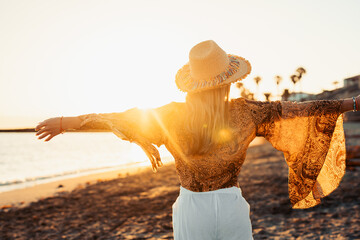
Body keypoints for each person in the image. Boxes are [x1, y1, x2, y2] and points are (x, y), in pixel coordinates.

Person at [35, 40, 358, 239]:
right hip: (231, 205)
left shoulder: (172, 116)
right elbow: (299, 110)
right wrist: (352, 104)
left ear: (192, 84)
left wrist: (65, 123)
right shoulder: (246, 112)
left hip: (191, 207)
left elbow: (119, 119)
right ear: (227, 82)